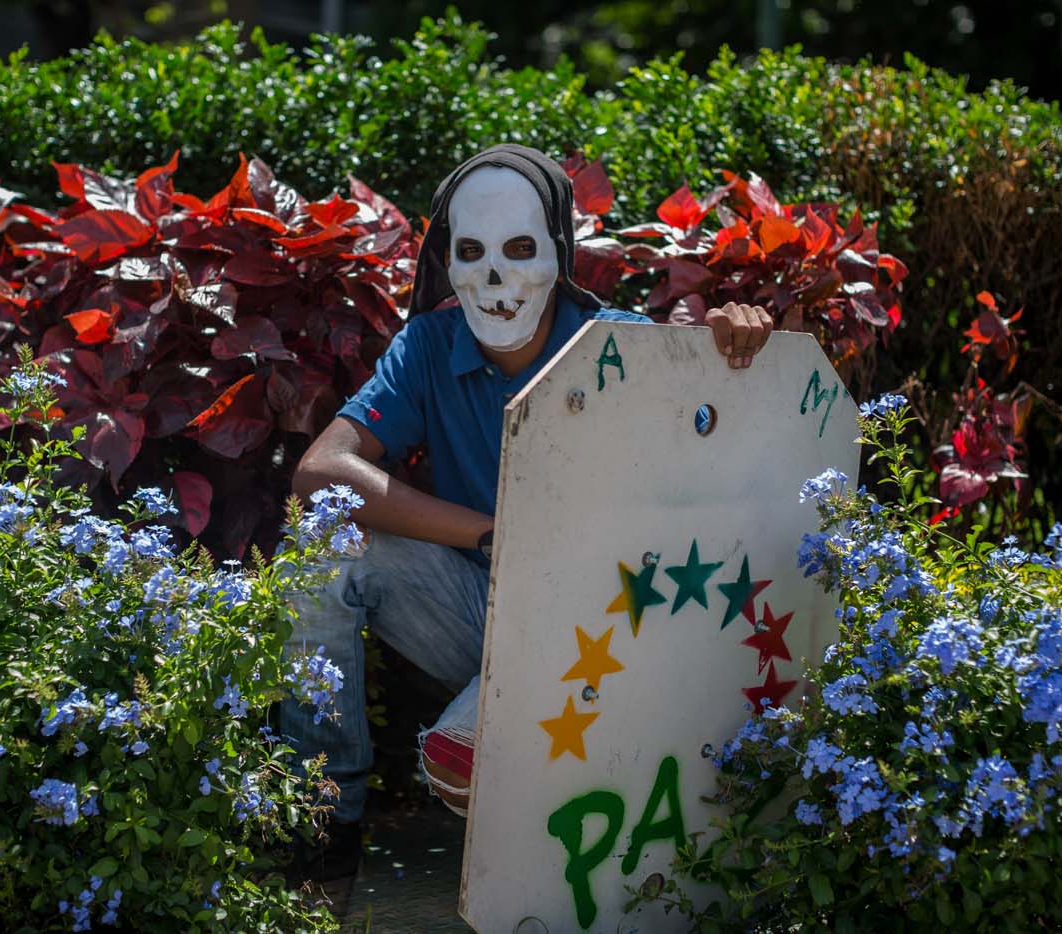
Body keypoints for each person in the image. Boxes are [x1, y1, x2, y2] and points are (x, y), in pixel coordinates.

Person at [282, 144, 772, 905]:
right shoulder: (428, 345)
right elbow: (322, 473)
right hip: (480, 609)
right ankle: (325, 828)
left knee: (461, 758)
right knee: (321, 547)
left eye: (519, 249)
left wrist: (738, 346)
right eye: (472, 252)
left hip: (600, 631)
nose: (496, 275)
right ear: (446, 261)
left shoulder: (618, 346)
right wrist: (493, 534)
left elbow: (718, 457)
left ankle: (567, 836)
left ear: (557, 252)